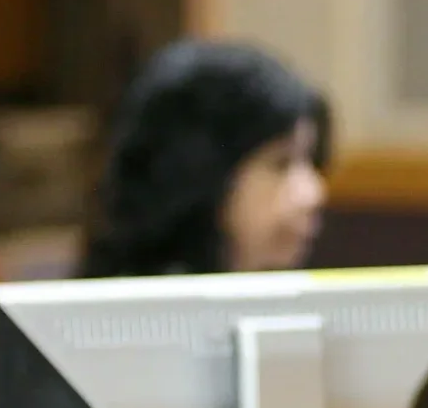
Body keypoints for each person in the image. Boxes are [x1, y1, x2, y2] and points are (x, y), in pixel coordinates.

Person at [77, 40, 331, 279]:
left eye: (308, 161)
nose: (313, 193)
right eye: (281, 163)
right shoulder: (127, 315)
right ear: (200, 170)